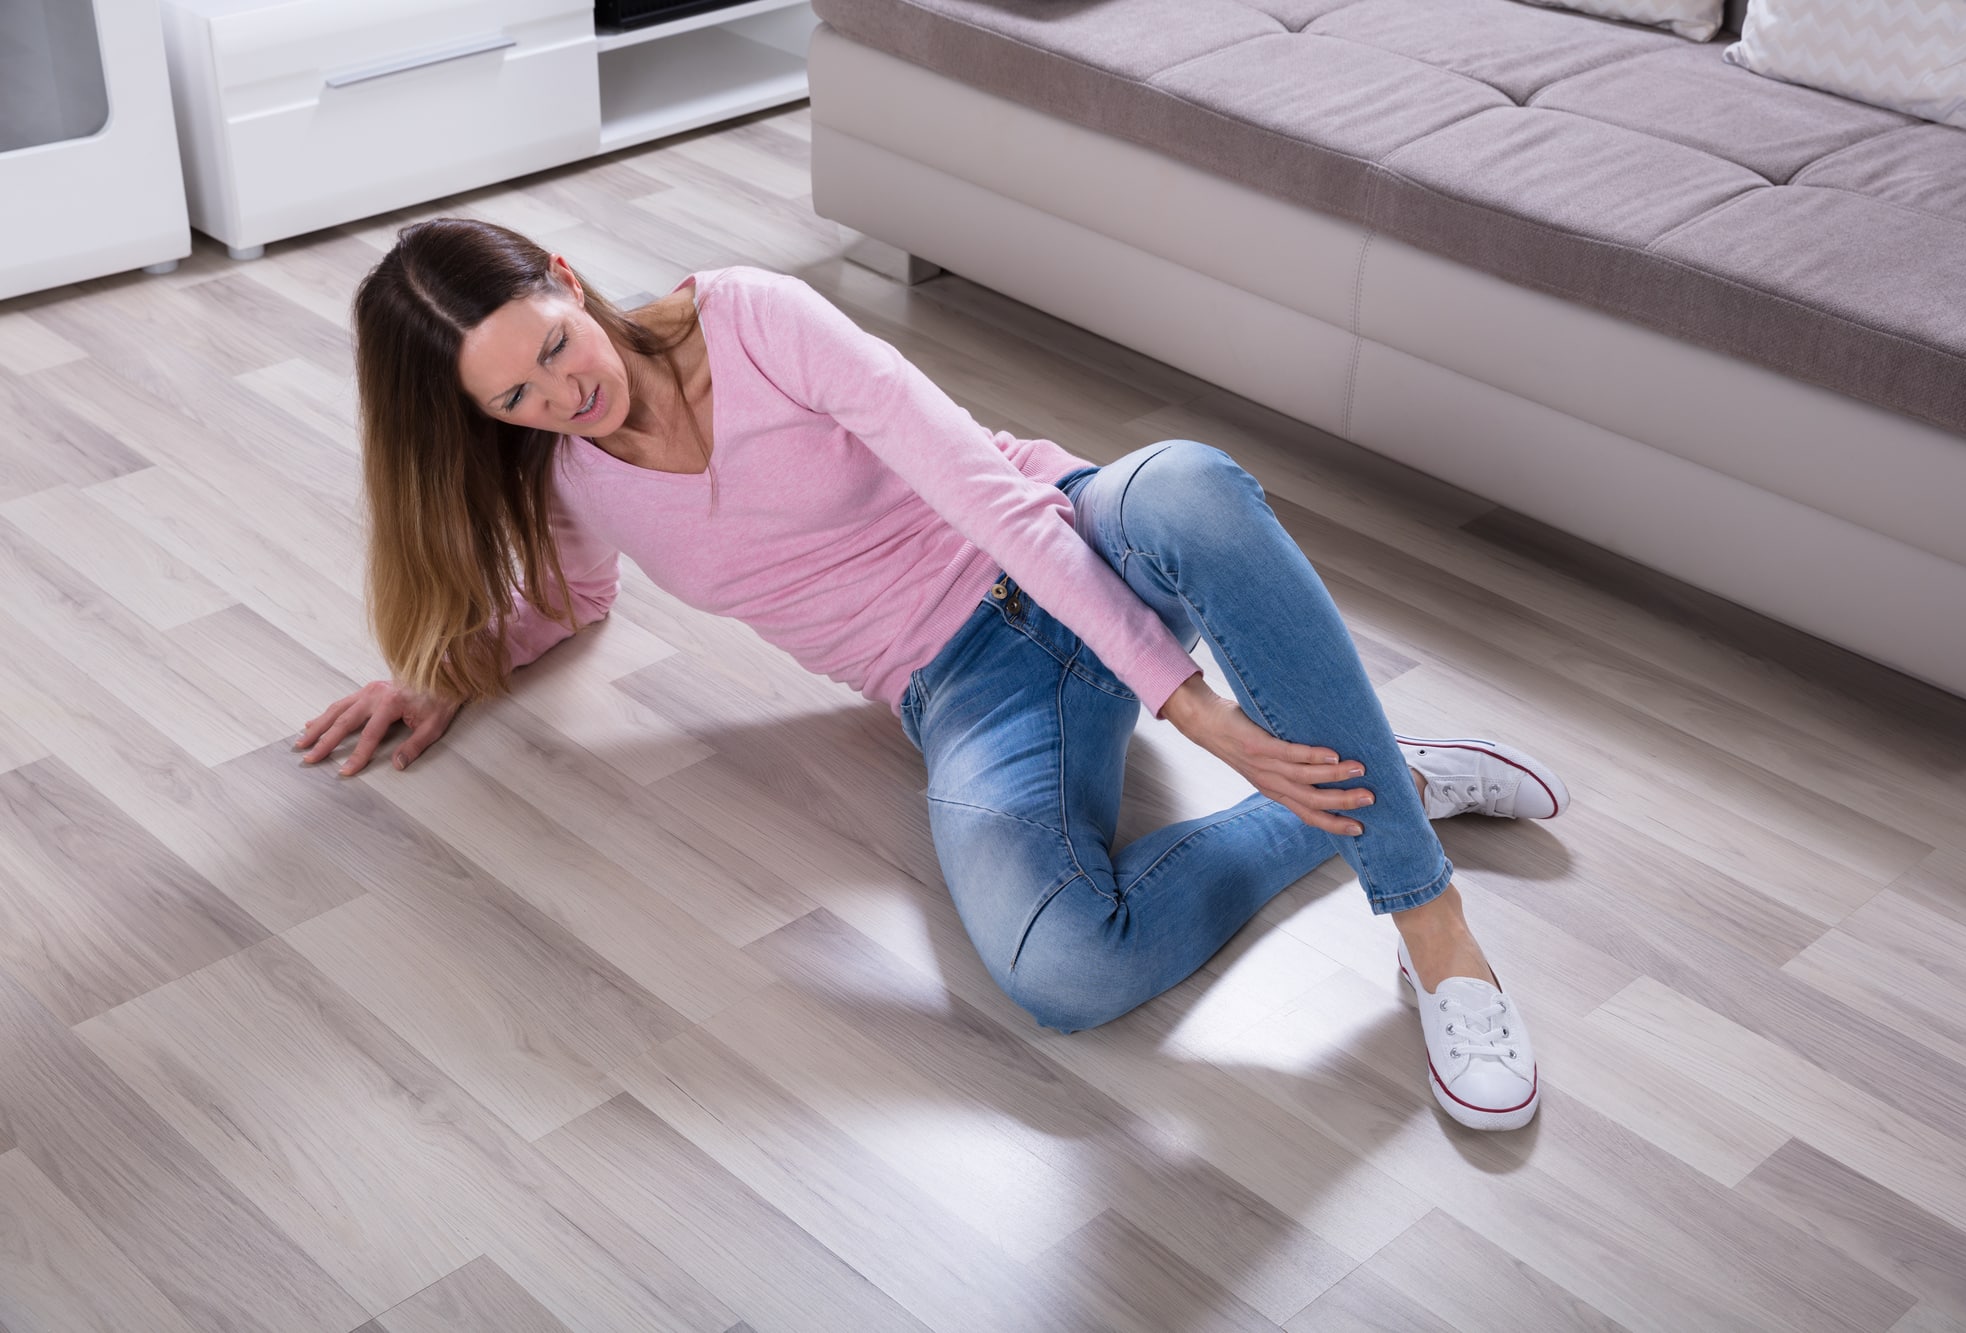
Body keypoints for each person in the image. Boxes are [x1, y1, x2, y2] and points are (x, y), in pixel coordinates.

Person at [298, 217, 1567, 1131]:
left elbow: (983, 497)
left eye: (553, 347)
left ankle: (1431, 926)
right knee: (1063, 969)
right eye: (511, 398)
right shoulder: (565, 479)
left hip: (1062, 539)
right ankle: (1379, 779)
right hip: (964, 690)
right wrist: (442, 672)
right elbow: (565, 601)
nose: (555, 396)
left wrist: (1198, 713)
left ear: (570, 279)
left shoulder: (751, 317)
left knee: (1186, 483)